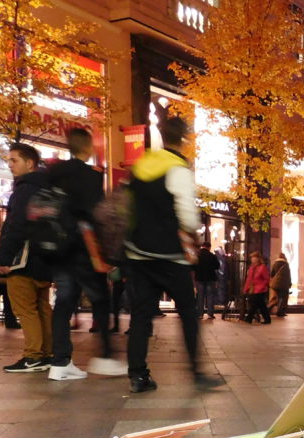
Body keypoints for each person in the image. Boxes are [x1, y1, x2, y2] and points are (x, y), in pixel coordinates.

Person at [124, 116, 223, 393]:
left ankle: (138, 375)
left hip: (138, 253)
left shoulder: (141, 165)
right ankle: (196, 373)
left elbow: (128, 208)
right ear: (184, 138)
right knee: (188, 313)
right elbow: (188, 217)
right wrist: (190, 234)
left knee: (141, 316)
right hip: (170, 255)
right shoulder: (178, 169)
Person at [45, 127, 127, 380]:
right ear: (88, 147)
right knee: (101, 300)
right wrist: (107, 254)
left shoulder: (52, 173)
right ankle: (104, 356)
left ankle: (59, 362)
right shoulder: (89, 176)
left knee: (63, 304)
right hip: (84, 249)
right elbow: (97, 217)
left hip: (59, 250)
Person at [0, 143, 54, 372]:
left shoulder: (24, 189)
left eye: (14, 160)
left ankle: (33, 355)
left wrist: (4, 257)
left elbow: (17, 226)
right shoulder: (47, 187)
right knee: (42, 306)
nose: (9, 165)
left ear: (29, 163)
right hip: (44, 258)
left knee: (25, 309)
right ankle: (47, 353)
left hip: (23, 259)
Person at [242, 252, 270, 324]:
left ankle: (249, 318)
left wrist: (262, 286)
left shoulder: (262, 267)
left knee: (254, 304)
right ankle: (267, 319)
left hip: (260, 290)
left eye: (255, 259)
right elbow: (249, 279)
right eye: (252, 259)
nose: (253, 261)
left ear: (258, 259)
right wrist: (246, 288)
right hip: (253, 289)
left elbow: (266, 279)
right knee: (261, 305)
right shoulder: (251, 268)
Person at [194, 242, 220, 319]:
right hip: (210, 278)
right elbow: (217, 266)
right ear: (209, 247)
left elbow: (193, 267)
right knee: (210, 296)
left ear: (202, 246)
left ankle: (200, 314)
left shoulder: (197, 255)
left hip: (199, 278)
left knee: (200, 297)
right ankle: (210, 314)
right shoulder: (212, 256)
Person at [268, 251, 292, 317]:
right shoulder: (286, 264)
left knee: (276, 298)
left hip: (275, 284)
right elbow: (288, 275)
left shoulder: (275, 263)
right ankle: (279, 311)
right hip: (283, 284)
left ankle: (269, 308)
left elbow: (272, 274)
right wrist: (290, 283)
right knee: (282, 298)